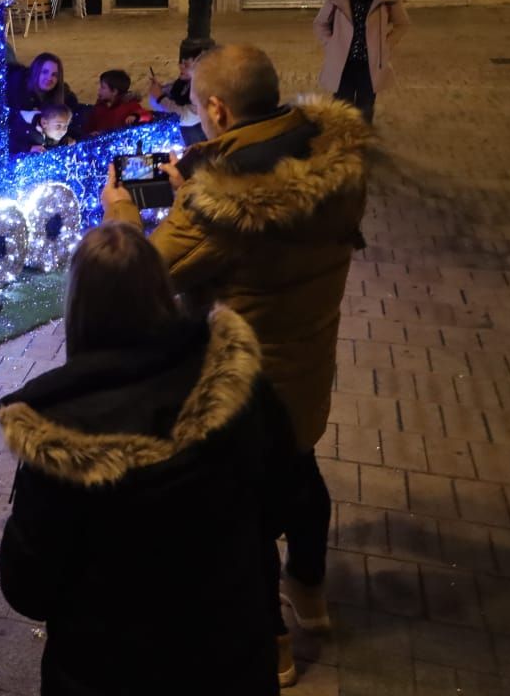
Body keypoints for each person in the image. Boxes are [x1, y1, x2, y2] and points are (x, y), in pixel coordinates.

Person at [100, 44, 372, 684]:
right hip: (308, 366)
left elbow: (140, 276)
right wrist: (197, 186)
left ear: (217, 109)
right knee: (303, 478)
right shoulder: (336, 160)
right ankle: (310, 590)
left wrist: (124, 218)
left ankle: (271, 641)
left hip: (244, 390)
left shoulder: (219, 207)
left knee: (240, 519)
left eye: (197, 104)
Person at [0, 223, 294, 693]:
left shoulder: (58, 443)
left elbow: (28, 588)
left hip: (105, 675)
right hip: (231, 661)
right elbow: (280, 498)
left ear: (77, 310)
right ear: (161, 291)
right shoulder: (234, 383)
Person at [315, 0, 409, 124]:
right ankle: (342, 142)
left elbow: (402, 23)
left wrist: (387, 44)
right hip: (344, 62)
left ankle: (360, 143)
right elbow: (320, 23)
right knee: (341, 109)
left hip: (370, 62)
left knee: (365, 109)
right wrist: (330, 44)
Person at [8, 52, 79, 154]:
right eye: (44, 72)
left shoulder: (63, 96)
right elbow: (9, 131)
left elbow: (69, 122)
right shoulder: (17, 93)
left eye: (54, 75)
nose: (49, 78)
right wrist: (27, 147)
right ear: (36, 72)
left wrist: (69, 138)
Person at [147, 41, 210, 146]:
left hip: (198, 146)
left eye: (186, 64)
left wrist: (160, 98)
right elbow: (157, 105)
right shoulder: (181, 83)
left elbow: (186, 117)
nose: (180, 66)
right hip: (180, 141)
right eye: (181, 62)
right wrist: (158, 92)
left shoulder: (205, 88)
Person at [84, 69, 152, 137]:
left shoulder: (130, 105)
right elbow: (89, 128)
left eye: (103, 87)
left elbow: (147, 116)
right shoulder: (99, 108)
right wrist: (90, 134)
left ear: (114, 92)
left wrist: (136, 116)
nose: (99, 90)